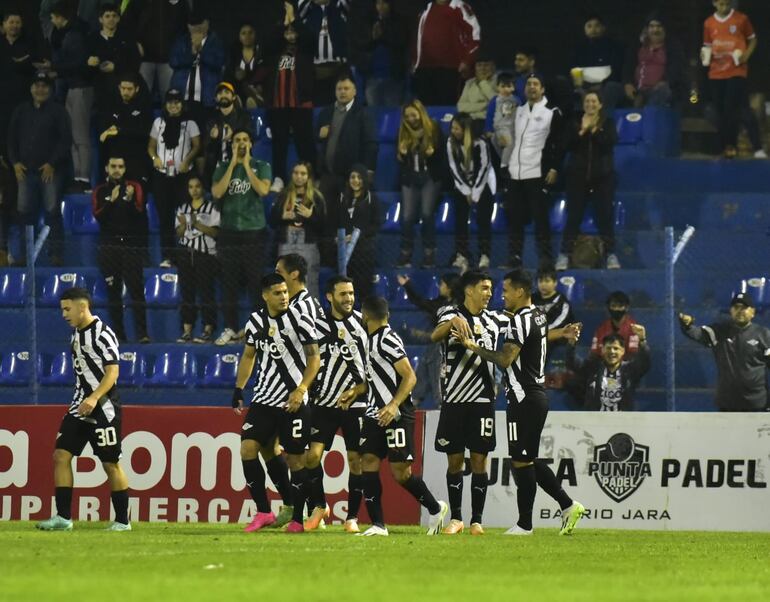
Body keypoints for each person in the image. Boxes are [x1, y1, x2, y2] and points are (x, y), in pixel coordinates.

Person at [452, 269, 585, 535]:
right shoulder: (537, 315)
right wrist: (563, 332)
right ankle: (566, 506)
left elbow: (504, 359)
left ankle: (527, 524)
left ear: (520, 292)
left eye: (506, 291)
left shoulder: (518, 322)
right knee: (525, 459)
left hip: (524, 397)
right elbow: (537, 337)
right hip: (534, 397)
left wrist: (471, 345)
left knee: (522, 460)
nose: (502, 296)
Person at [36, 287, 131, 532]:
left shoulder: (102, 334)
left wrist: (94, 397)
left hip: (103, 407)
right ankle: (64, 518)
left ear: (82, 307)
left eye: (67, 309)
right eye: (62, 310)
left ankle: (123, 521)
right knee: (61, 455)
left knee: (110, 463)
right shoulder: (77, 335)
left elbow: (113, 372)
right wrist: (84, 400)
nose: (64, 315)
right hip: (80, 406)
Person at [232, 273, 320, 533]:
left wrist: (301, 388)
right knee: (248, 449)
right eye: (278, 293)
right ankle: (263, 511)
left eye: (285, 292)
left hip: (294, 401)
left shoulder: (300, 320)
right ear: (265, 295)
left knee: (296, 460)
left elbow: (314, 358)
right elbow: (249, 356)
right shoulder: (255, 321)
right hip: (264, 398)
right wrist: (239, 388)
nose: (284, 296)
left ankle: (297, 519)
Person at [358, 295, 449, 536]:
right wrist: (354, 391)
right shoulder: (368, 340)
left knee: (401, 473)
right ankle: (378, 525)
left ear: (365, 315)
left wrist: (393, 405)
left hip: (396, 413)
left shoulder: (388, 339)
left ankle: (435, 507)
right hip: (373, 412)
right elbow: (376, 378)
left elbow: (410, 376)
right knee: (367, 462)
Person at [430, 270, 508, 535]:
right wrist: (452, 322)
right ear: (469, 290)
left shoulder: (496, 319)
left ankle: (477, 520)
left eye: (490, 288)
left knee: (479, 461)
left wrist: (559, 332)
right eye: (484, 288)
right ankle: (457, 518)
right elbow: (435, 336)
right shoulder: (449, 313)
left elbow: (524, 329)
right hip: (455, 399)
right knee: (454, 462)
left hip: (483, 400)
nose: (489, 293)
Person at [302, 275, 368, 533]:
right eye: (343, 294)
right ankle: (320, 505)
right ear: (330, 297)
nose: (349, 298)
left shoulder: (363, 324)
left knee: (356, 460)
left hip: (356, 405)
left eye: (351, 293)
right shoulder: (317, 327)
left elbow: (371, 366)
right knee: (312, 457)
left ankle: (351, 517)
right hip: (324, 404)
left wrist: (358, 389)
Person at [212, 128, 271, 346]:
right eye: (237, 140)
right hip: (229, 232)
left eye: (245, 140)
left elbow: (263, 190)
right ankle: (231, 327)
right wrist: (233, 165)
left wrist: (246, 165)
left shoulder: (261, 166)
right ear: (232, 144)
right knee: (229, 283)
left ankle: (256, 329)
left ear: (251, 144)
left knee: (256, 283)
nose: (241, 143)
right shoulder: (222, 167)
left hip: (254, 232)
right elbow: (217, 192)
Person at [7, 72, 71, 266]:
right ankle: (27, 257)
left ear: (50, 89)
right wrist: (15, 162)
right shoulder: (21, 110)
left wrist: (52, 163)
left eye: (44, 86)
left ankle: (55, 255)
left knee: (52, 212)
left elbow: (66, 140)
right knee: (24, 214)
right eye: (37, 85)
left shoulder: (59, 111)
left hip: (50, 171)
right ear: (31, 88)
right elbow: (11, 139)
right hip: (25, 171)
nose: (40, 89)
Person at [555, 91, 619, 271]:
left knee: (605, 216)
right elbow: (566, 144)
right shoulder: (574, 123)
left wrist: (595, 130)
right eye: (587, 101)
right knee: (573, 217)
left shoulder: (608, 123)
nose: (590, 104)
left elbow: (610, 142)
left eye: (594, 101)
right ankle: (564, 255)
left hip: (603, 178)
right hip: (577, 177)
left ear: (600, 105)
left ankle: (610, 254)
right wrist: (582, 131)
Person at [505, 73, 563, 269]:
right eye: (529, 84)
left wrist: (554, 167)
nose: (532, 87)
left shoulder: (551, 112)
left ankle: (546, 257)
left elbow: (558, 143)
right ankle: (514, 256)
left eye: (536, 84)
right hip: (515, 171)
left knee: (540, 217)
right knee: (514, 216)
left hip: (537, 170)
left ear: (543, 89)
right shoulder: (518, 111)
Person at [92, 156, 150, 343]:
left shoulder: (135, 187)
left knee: (136, 292)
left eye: (121, 166)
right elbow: (99, 216)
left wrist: (129, 200)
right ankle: (119, 335)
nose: (117, 169)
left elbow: (140, 215)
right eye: (113, 166)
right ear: (107, 169)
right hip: (109, 247)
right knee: (114, 293)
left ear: (125, 169)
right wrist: (112, 200)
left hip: (131, 246)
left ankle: (142, 334)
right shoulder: (100, 191)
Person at [680, 292, 770, 411]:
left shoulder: (764, 335)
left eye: (744, 308)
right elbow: (698, 334)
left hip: (757, 404)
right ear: (731, 311)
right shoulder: (720, 331)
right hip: (727, 403)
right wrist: (688, 326)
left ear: (752, 312)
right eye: (736, 307)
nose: (740, 311)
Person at [315, 73, 377, 236]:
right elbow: (315, 138)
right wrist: (318, 134)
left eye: (346, 88)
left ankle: (347, 258)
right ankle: (327, 255)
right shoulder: (326, 112)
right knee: (325, 216)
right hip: (328, 175)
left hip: (350, 177)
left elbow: (371, 144)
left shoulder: (362, 114)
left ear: (355, 91)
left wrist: (368, 170)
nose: (343, 92)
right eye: (339, 89)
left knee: (347, 219)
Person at [263, 10, 316, 194]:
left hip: (301, 104)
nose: (291, 35)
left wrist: (295, 21)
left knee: (305, 143)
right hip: (278, 105)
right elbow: (268, 41)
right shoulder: (275, 51)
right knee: (279, 143)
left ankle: (311, 177)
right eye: (288, 33)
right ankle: (278, 177)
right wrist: (283, 25)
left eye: (294, 32)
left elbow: (309, 37)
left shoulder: (306, 49)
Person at [703, 0, 764, 159]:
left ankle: (753, 147)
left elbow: (753, 39)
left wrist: (746, 55)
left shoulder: (741, 19)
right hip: (716, 73)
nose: (724, 7)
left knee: (733, 107)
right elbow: (707, 45)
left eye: (727, 4)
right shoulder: (708, 22)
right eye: (721, 4)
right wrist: (704, 55)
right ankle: (727, 147)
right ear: (714, 4)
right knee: (719, 111)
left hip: (736, 71)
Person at [148, 88, 201, 266]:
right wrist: (155, 158)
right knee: (165, 217)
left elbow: (197, 145)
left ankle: (187, 253)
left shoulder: (191, 123)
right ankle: (168, 256)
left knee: (185, 215)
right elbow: (151, 146)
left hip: (183, 176)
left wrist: (187, 160)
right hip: (162, 176)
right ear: (165, 104)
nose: (173, 105)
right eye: (170, 102)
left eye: (177, 102)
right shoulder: (158, 122)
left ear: (182, 104)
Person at [395, 272, 458, 406]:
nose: (440, 287)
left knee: (439, 386)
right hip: (434, 347)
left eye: (442, 284)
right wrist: (407, 285)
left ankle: (441, 408)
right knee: (419, 384)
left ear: (449, 288)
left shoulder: (458, 307)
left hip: (446, 351)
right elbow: (420, 302)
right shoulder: (440, 304)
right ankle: (412, 412)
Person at [395, 99, 445, 269]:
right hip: (410, 178)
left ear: (420, 113)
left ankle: (429, 254)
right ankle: (405, 254)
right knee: (408, 217)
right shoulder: (403, 132)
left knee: (426, 214)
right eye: (407, 116)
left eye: (413, 114)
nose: (411, 119)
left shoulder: (434, 128)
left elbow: (443, 157)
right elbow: (401, 162)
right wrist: (402, 155)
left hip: (429, 178)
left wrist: (434, 153)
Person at [49, 2, 93, 191]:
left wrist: (55, 69)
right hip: (73, 88)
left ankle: (84, 179)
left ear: (60, 17)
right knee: (75, 137)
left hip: (81, 88)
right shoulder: (68, 34)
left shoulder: (74, 35)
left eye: (53, 17)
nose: (52, 21)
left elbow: (78, 63)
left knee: (81, 136)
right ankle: (78, 177)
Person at [447, 112, 495, 273]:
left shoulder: (480, 143)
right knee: (460, 221)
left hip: (482, 184)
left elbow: (485, 166)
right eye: (452, 128)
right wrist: (465, 189)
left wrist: (475, 192)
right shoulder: (450, 143)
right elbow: (453, 168)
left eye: (457, 128)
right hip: (461, 185)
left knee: (483, 220)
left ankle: (484, 254)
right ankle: (462, 254)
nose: (454, 131)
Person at [269, 162, 326, 297]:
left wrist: (310, 216)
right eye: (296, 173)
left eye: (303, 173)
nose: (299, 177)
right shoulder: (283, 195)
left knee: (309, 283)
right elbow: (272, 222)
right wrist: (281, 216)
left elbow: (323, 226)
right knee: (284, 282)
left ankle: (311, 316)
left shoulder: (316, 197)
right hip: (286, 242)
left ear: (309, 177)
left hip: (308, 243)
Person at [175, 175, 220, 344]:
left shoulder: (212, 208)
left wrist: (196, 224)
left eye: (197, 186)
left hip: (205, 255)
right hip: (186, 254)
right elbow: (179, 234)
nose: (194, 190)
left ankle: (208, 328)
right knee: (187, 293)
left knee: (206, 292)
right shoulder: (182, 208)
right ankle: (187, 330)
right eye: (191, 187)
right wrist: (182, 226)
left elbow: (215, 232)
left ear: (203, 188)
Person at [412, 0, 480, 106]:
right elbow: (418, 38)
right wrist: (416, 62)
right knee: (425, 109)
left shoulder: (459, 6)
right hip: (425, 69)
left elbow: (475, 34)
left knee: (448, 107)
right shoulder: (427, 8)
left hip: (451, 69)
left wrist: (467, 60)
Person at [566, 329, 650, 411]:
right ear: (602, 350)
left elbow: (645, 363)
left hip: (623, 422)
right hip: (594, 421)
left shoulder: (630, 370)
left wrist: (642, 340)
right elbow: (572, 363)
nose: (612, 351)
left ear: (623, 351)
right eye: (608, 348)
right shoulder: (592, 367)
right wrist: (571, 342)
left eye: (616, 348)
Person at [169, 11, 226, 126]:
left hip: (206, 99)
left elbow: (219, 62)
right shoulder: (182, 41)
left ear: (207, 24)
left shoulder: (216, 41)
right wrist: (191, 54)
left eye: (199, 26)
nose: (196, 29)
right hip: (183, 98)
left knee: (204, 131)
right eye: (193, 26)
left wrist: (201, 50)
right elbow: (173, 61)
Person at [333, 164, 381, 301]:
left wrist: (356, 236)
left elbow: (376, 224)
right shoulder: (342, 198)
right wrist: (338, 238)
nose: (355, 180)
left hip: (364, 253)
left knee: (363, 292)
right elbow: (336, 221)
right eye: (352, 177)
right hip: (343, 252)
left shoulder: (372, 199)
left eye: (359, 177)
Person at [98, 74, 153, 191]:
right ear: (119, 88)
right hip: (115, 162)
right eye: (123, 88)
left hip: (136, 162)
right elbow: (104, 134)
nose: (126, 92)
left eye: (129, 89)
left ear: (136, 89)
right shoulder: (112, 106)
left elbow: (144, 132)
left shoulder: (144, 108)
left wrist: (119, 131)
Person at [623, 13, 687, 109]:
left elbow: (676, 69)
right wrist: (627, 83)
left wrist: (665, 81)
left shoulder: (673, 46)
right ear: (647, 29)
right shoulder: (638, 45)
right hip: (637, 88)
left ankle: (649, 116)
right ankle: (606, 122)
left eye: (659, 26)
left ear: (665, 29)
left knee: (663, 90)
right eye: (652, 26)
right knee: (612, 88)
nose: (655, 30)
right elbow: (628, 65)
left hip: (658, 89)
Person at [86, 4, 141, 112]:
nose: (111, 19)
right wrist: (90, 63)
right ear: (100, 19)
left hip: (122, 91)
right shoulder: (92, 39)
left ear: (118, 19)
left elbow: (135, 62)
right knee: (103, 122)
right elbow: (84, 65)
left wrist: (116, 67)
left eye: (114, 16)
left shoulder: (127, 38)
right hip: (99, 89)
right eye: (107, 16)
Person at [353, 0, 407, 107]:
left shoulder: (399, 21)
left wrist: (383, 35)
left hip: (393, 78)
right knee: (373, 116)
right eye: (378, 3)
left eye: (384, 3)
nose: (381, 7)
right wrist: (373, 38)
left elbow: (401, 42)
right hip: (372, 78)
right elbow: (360, 44)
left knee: (393, 114)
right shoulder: (368, 20)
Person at [298, 0, 350, 106]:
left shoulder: (339, 8)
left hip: (339, 69)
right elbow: (301, 3)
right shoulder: (308, 10)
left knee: (342, 107)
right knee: (321, 108)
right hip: (317, 72)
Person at [569, 13, 625, 112]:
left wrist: (602, 85)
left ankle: (604, 121)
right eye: (589, 26)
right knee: (576, 92)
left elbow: (617, 71)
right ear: (585, 29)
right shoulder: (578, 49)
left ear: (603, 28)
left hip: (605, 86)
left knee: (612, 87)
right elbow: (574, 70)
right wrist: (581, 87)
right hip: (584, 86)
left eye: (597, 26)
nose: (593, 29)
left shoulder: (613, 47)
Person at [135, 0, 189, 99]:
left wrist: (178, 48)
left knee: (169, 98)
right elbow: (127, 23)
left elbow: (186, 24)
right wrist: (135, 42)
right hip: (145, 58)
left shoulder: (180, 2)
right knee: (142, 96)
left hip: (169, 59)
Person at [203, 81, 253, 182]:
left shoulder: (244, 117)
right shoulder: (211, 119)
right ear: (216, 98)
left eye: (227, 92)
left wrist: (233, 138)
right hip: (216, 169)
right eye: (220, 93)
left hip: (239, 167)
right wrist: (213, 139)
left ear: (234, 97)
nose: (223, 95)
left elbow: (249, 145)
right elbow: (207, 150)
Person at [224, 22, 267, 109]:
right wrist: (235, 76)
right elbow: (228, 76)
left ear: (255, 34)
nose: (247, 36)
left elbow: (264, 73)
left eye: (250, 32)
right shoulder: (234, 55)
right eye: (243, 33)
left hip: (258, 91)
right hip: (238, 91)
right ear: (239, 37)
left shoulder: (261, 53)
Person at [590, 291, 640, 357]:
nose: (616, 309)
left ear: (626, 308)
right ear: (608, 308)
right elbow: (595, 353)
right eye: (613, 306)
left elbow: (633, 354)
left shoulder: (634, 329)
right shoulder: (601, 329)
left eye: (620, 306)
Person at [484, 72, 518, 169]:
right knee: (498, 142)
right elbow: (489, 116)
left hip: (512, 129)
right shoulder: (495, 100)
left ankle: (505, 165)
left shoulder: (516, 100)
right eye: (503, 86)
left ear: (513, 87)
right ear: (498, 87)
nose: (506, 89)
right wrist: (488, 130)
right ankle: (504, 163)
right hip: (498, 129)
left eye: (509, 86)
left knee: (510, 144)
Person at [456, 57, 496, 132]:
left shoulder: (499, 82)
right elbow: (460, 106)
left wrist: (482, 82)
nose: (482, 68)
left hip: (488, 122)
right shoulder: (469, 83)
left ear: (493, 67)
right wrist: (486, 104)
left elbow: (496, 101)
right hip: (469, 122)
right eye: (479, 65)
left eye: (486, 65)